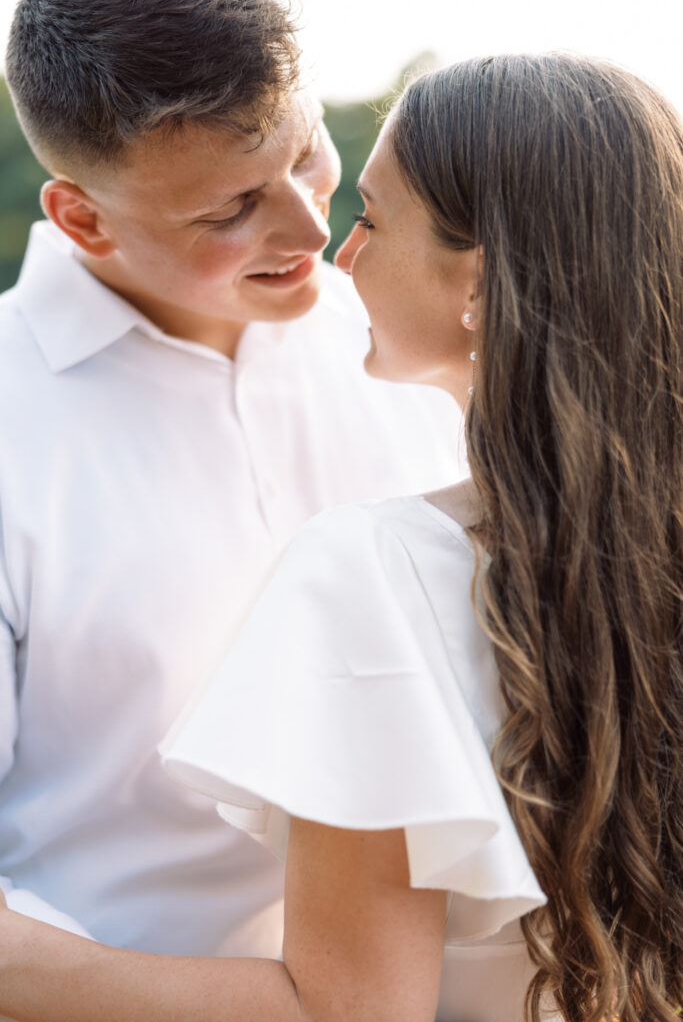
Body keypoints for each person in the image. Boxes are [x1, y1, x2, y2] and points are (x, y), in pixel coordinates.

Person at [1, 51, 681, 1022]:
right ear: (80, 217)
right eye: (226, 207)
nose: (322, 242)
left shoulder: (367, 555)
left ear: (480, 285)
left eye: (326, 173)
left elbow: (348, 1008)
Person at [0, 0, 464, 961]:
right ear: (83, 217)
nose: (309, 225)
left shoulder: (427, 342)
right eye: (230, 208)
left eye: (303, 157)